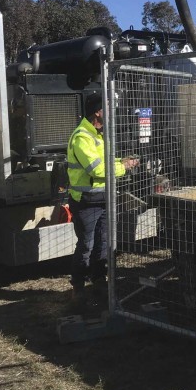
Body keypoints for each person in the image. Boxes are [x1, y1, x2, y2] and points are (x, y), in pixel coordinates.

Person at [66, 92, 138, 304]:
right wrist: (123, 167)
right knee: (86, 245)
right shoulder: (82, 137)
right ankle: (78, 286)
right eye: (106, 108)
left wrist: (119, 160)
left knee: (103, 242)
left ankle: (98, 280)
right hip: (86, 202)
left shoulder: (97, 134)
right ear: (97, 112)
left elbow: (104, 160)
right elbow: (97, 169)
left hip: (103, 198)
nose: (110, 112)